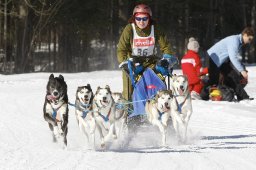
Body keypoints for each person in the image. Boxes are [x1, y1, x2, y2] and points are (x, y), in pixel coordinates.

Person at [117, 3, 177, 101]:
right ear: (134, 18)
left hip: (150, 62)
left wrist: (167, 58)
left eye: (144, 18)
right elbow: (121, 49)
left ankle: (162, 102)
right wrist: (124, 62)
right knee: (128, 88)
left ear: (149, 18)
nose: (141, 22)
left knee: (159, 78)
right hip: (133, 62)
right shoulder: (129, 29)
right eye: (138, 19)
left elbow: (166, 46)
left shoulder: (155, 28)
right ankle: (128, 108)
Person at [207, 27, 254, 101]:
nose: (249, 41)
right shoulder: (234, 41)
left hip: (222, 61)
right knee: (213, 82)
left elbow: (230, 56)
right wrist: (242, 71)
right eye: (249, 39)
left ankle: (244, 98)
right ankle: (202, 96)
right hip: (213, 59)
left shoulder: (239, 42)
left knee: (234, 77)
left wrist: (241, 68)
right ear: (245, 35)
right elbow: (233, 58)